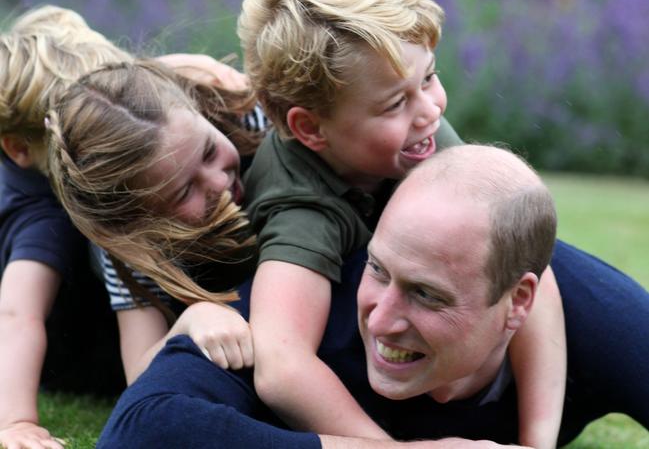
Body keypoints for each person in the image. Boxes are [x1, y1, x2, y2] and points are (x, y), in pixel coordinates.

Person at [94, 144, 649, 448]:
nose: (381, 320)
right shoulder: (309, 304)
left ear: (518, 302)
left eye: (427, 296)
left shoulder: (598, 318)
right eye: (379, 270)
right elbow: (143, 428)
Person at [237, 0, 564, 446]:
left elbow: (530, 266)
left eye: (429, 78)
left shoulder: (416, 130)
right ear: (311, 129)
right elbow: (281, 366)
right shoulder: (300, 206)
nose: (430, 110)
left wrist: (537, 440)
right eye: (395, 104)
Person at [0, 5, 258, 449]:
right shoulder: (51, 218)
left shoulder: (183, 118)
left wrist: (176, 71)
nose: (110, 120)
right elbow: (18, 314)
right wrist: (15, 422)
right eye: (79, 130)